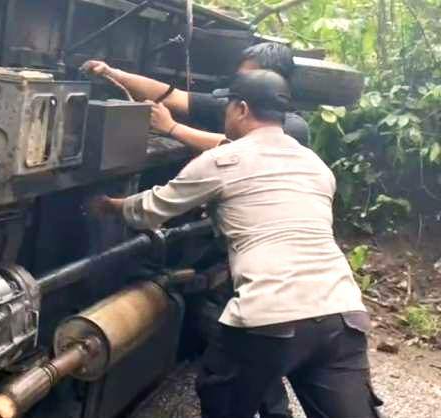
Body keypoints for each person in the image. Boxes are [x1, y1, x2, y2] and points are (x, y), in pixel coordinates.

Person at [90, 70, 382, 418]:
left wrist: (110, 206)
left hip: (269, 316)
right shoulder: (316, 166)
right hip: (342, 313)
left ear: (241, 109)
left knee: (224, 395)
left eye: (226, 108)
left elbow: (151, 210)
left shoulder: (221, 161)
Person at [81, 42, 310, 149]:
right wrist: (115, 74)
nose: (242, 84)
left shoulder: (294, 128)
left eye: (251, 78)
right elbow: (173, 96)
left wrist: (172, 128)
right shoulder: (236, 105)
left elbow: (236, 147)